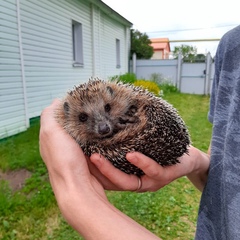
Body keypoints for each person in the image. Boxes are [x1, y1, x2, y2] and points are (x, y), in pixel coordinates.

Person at [39, 25, 240, 240]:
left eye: (107, 109)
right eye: (83, 118)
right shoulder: (231, 47)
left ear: (111, 96)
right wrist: (197, 161)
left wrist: (75, 192)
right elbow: (222, 177)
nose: (102, 126)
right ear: (69, 115)